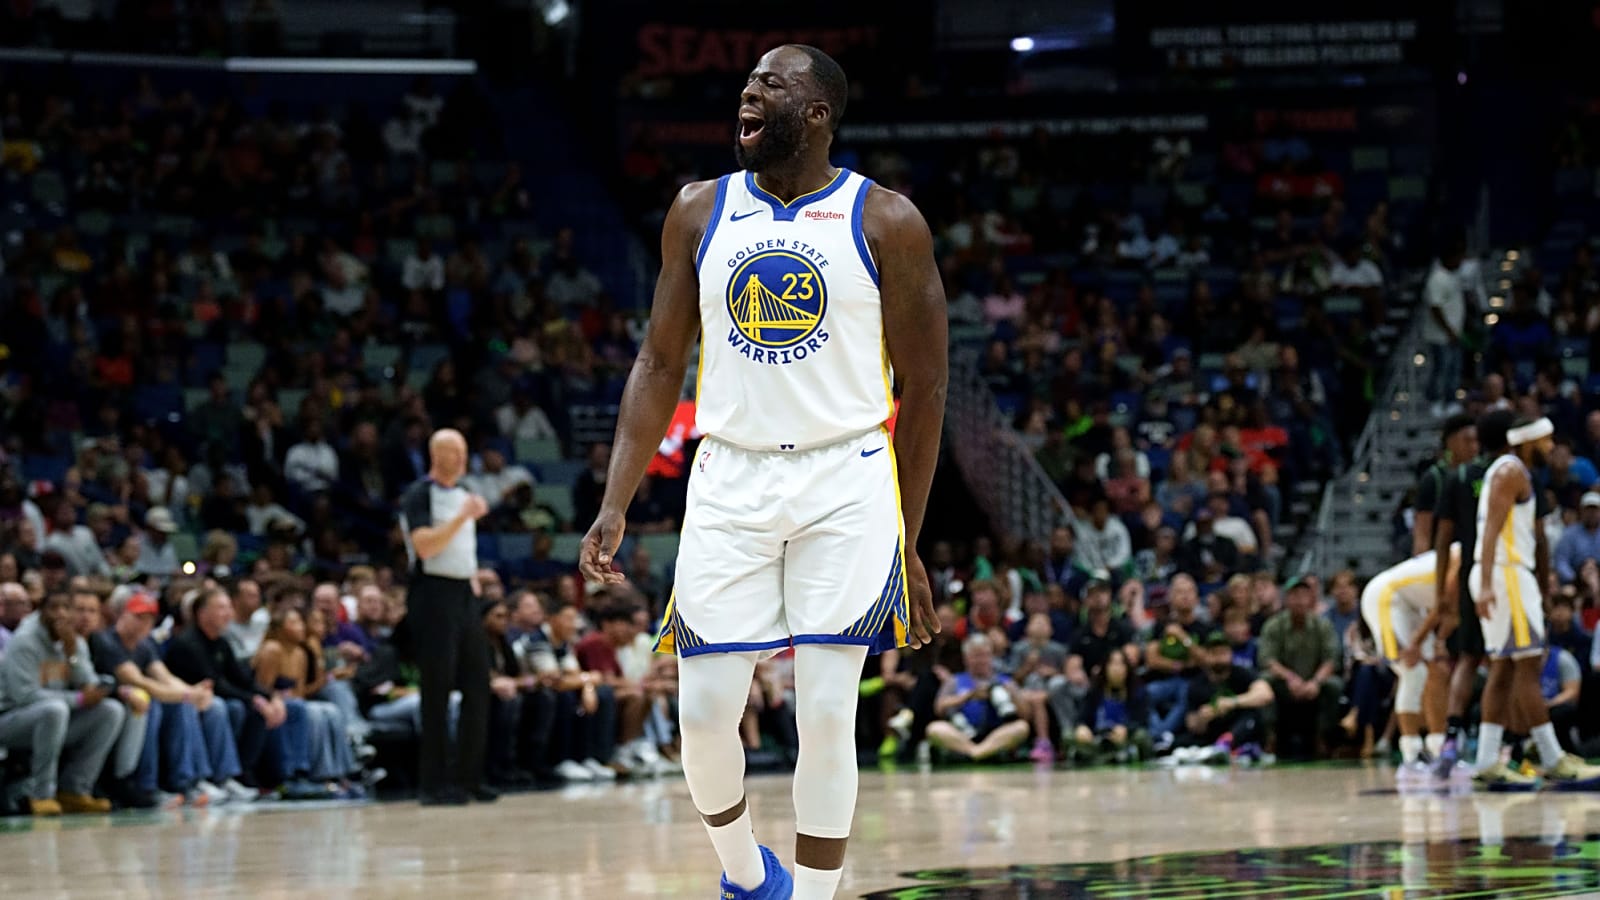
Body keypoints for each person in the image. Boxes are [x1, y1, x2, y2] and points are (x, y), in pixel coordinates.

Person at [578, 44, 946, 900]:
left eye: (771, 84)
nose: (749, 91)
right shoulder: (698, 210)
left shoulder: (887, 220)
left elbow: (926, 386)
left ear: (817, 114)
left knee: (825, 710)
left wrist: (908, 541)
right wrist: (615, 500)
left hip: (847, 480)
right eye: (747, 82)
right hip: (729, 476)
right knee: (702, 717)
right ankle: (748, 877)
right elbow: (658, 362)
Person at [1469, 416, 1600, 788]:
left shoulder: (1505, 470)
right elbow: (1492, 527)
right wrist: (1489, 582)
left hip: (1500, 573)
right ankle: (1553, 757)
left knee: (1504, 669)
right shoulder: (1512, 471)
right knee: (1527, 666)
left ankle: (1485, 761)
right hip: (1506, 574)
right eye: (1545, 439)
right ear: (1528, 441)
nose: (1550, 446)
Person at [398, 428, 494, 806]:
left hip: (462, 595)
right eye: (453, 451)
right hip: (432, 593)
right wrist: (462, 517)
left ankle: (469, 778)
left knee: (478, 685)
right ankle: (433, 783)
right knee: (436, 690)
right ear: (435, 455)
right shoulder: (419, 494)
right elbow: (424, 546)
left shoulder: (463, 494)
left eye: (464, 450)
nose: (461, 457)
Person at [91, 586, 256, 806]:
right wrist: (188, 695)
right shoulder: (107, 641)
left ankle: (189, 781)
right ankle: (146, 785)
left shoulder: (145, 644)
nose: (144, 624)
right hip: (119, 701)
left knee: (186, 706)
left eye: (149, 619)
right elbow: (142, 682)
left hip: (141, 700)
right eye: (138, 617)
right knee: (158, 705)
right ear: (122, 614)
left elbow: (164, 677)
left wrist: (192, 692)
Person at [0, 591, 126, 815]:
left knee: (111, 711)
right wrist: (77, 699)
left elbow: (89, 684)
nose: (60, 614)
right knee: (54, 710)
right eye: (53, 608)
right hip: (11, 720)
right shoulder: (24, 641)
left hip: (53, 720)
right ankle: (42, 794)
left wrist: (72, 656)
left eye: (66, 608)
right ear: (41, 612)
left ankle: (75, 790)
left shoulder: (74, 641)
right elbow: (25, 697)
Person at [1431, 411, 1502, 777]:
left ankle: (1501, 740)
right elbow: (1443, 541)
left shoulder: (1499, 472)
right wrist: (1442, 593)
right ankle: (1452, 738)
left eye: (1476, 440)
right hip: (1478, 578)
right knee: (1472, 658)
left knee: (1498, 661)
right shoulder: (1458, 479)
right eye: (1466, 440)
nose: (1472, 446)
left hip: (1500, 576)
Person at [162, 587, 288, 789]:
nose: (228, 613)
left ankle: (246, 773)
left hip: (214, 699)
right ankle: (220, 776)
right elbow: (216, 685)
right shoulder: (188, 643)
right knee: (230, 708)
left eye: (229, 607)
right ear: (202, 613)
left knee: (256, 711)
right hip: (188, 702)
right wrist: (255, 700)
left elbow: (243, 679)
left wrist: (271, 697)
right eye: (221, 608)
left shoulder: (221, 643)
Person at [1359, 546, 1455, 776]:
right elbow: (1444, 607)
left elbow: (1452, 615)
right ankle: (1411, 756)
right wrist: (1415, 643)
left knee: (1438, 671)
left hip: (1413, 605)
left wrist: (1437, 643)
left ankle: (1438, 749)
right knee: (1413, 671)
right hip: (1385, 596)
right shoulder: (1463, 559)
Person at [1257, 578, 1343, 758]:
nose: (1300, 601)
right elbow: (1267, 659)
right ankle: (1270, 738)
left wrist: (1316, 682)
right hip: (1285, 684)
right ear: (1286, 599)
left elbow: (1331, 659)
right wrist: (1290, 678)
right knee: (1264, 682)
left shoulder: (1323, 625)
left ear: (1311, 599)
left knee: (1334, 685)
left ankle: (1323, 738)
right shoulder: (1274, 625)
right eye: (1295, 596)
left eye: (1304, 596)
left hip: (1314, 683)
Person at [924, 635, 1031, 762]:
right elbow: (939, 708)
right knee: (935, 728)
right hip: (964, 733)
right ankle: (977, 752)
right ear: (966, 658)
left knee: (1021, 727)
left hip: (996, 734)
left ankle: (976, 753)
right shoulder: (955, 681)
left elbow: (1026, 714)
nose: (981, 660)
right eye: (976, 656)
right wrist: (968, 697)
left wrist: (1010, 695)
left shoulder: (1005, 681)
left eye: (985, 655)